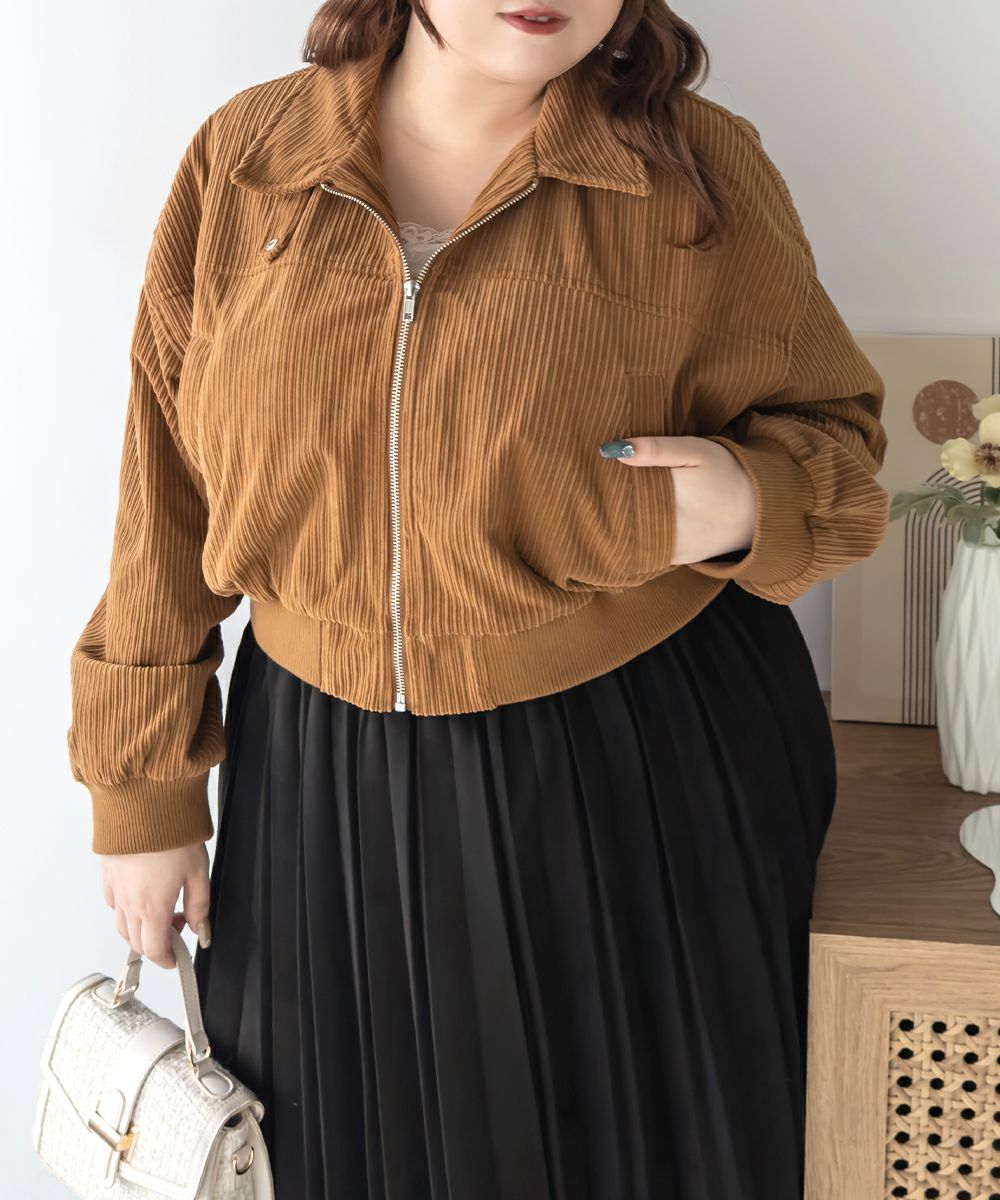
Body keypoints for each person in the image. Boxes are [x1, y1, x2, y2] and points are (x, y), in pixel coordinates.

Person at [67, 1, 890, 1196]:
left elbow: (841, 452)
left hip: (634, 760)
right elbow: (165, 494)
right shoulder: (248, 158)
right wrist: (143, 791)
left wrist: (740, 501)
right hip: (320, 786)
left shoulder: (698, 169)